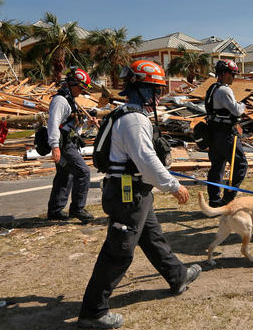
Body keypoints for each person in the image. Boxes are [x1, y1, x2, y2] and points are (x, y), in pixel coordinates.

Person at [78, 60, 201, 329]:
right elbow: (146, 160)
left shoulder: (124, 113)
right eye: (153, 89)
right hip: (127, 193)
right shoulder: (134, 120)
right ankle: (93, 311)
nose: (157, 96)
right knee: (119, 251)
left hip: (134, 190)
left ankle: (178, 276)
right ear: (140, 88)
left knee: (152, 236)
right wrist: (173, 186)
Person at [46, 68, 95, 222]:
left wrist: (89, 124)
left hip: (69, 142)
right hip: (64, 145)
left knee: (64, 175)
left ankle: (55, 211)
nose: (81, 91)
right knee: (83, 172)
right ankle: (77, 209)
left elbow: (73, 126)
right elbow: (53, 124)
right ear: (72, 84)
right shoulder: (60, 100)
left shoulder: (69, 99)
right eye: (80, 88)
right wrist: (55, 147)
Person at [205, 59, 248, 207]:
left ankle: (214, 200)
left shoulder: (212, 88)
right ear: (223, 74)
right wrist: (243, 105)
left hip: (214, 133)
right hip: (226, 134)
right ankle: (228, 198)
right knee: (241, 164)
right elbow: (236, 110)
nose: (233, 77)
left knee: (217, 167)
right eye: (232, 74)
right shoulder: (225, 90)